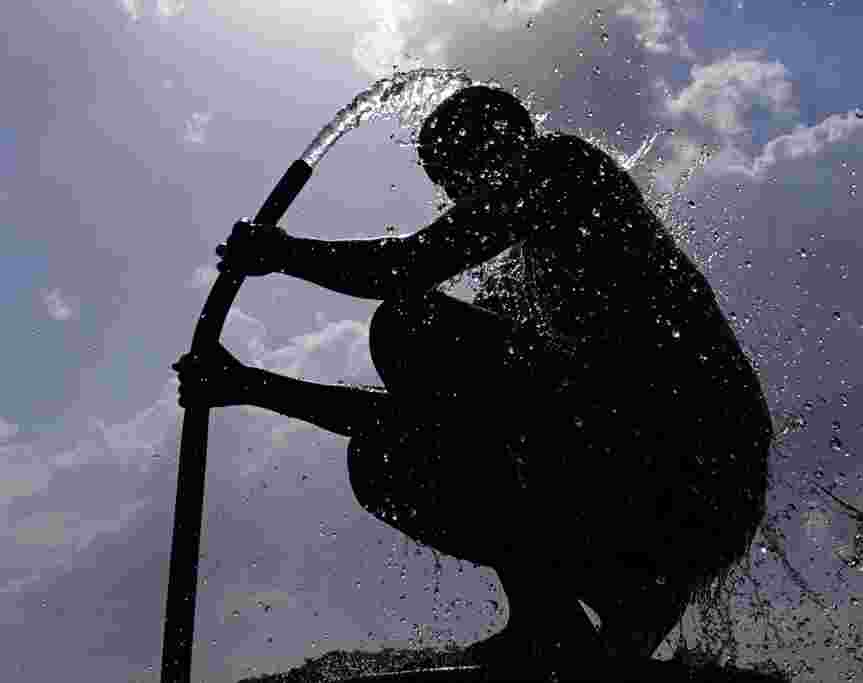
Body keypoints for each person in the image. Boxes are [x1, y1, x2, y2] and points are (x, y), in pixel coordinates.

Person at [173, 86, 773, 668]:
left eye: (457, 178)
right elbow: (419, 423)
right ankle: (567, 620)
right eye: (449, 188)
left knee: (407, 325)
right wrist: (251, 386)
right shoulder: (523, 281)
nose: (459, 200)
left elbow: (406, 268)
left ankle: (611, 604)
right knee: (382, 461)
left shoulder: (562, 166)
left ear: (499, 145)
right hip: (629, 466)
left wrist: (284, 254)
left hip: (699, 461)